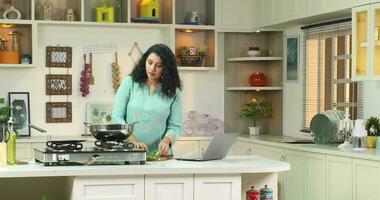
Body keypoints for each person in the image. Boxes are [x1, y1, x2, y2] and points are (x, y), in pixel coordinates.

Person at [112, 43, 182, 156]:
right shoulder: (129, 83)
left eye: (159, 65)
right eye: (149, 62)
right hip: (128, 153)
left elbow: (175, 127)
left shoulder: (173, 92)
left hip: (159, 156)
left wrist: (166, 141)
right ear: (144, 61)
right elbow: (116, 118)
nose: (152, 68)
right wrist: (134, 142)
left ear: (166, 68)